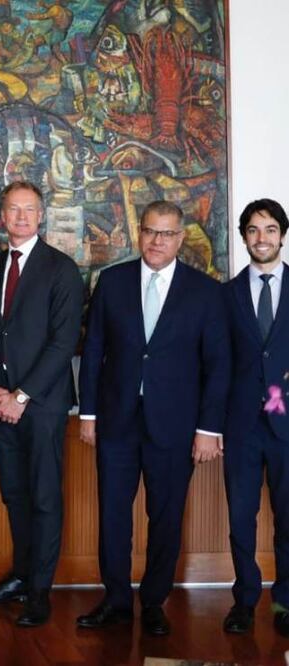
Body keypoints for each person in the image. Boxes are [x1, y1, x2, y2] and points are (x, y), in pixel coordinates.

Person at [76, 200, 229, 636]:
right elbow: (93, 353)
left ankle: (155, 600)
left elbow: (217, 365)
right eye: (149, 231)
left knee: (165, 516)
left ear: (180, 238)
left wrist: (207, 429)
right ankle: (117, 599)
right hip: (116, 422)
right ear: (138, 233)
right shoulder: (112, 281)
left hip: (176, 427)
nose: (156, 241)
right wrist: (88, 414)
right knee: (113, 515)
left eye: (166, 234)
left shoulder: (205, 291)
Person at [0, 181, 84, 627]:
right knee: (14, 495)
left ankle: (39, 591)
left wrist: (21, 396)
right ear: (2, 216)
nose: (20, 217)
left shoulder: (62, 269)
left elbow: (62, 344)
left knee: (43, 497)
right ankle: (20, 577)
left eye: (29, 210)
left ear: (41, 216)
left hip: (42, 406)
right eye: (12, 209)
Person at [221, 199, 289, 636]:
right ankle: (244, 599)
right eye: (252, 230)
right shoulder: (223, 295)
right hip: (241, 425)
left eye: (269, 229)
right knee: (241, 518)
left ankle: (285, 602)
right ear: (243, 236)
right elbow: (215, 360)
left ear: (282, 234)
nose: (261, 238)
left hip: (287, 425)